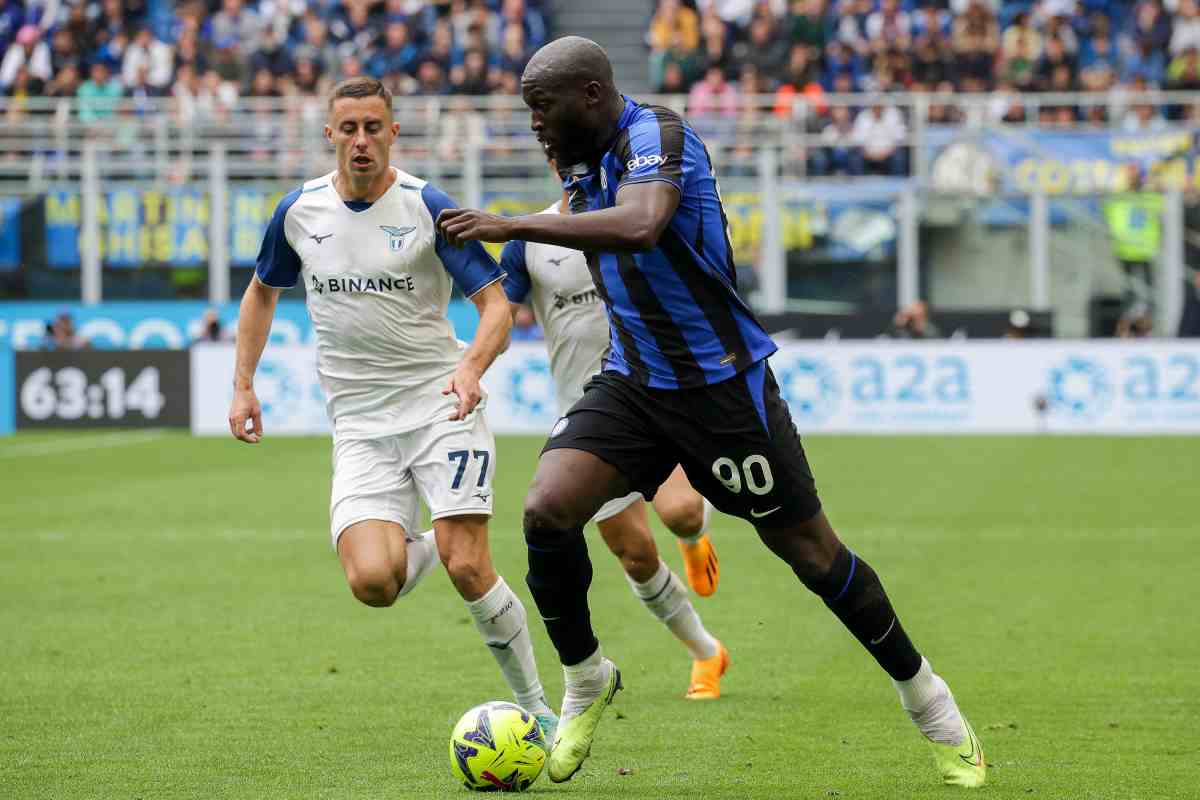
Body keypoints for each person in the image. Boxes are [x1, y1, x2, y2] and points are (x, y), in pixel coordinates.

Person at [434, 36, 985, 787]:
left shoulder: (659, 136)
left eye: (542, 107)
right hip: (632, 383)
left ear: (591, 96)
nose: (534, 123)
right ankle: (587, 678)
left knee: (814, 557)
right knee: (547, 510)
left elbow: (642, 225)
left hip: (722, 388)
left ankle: (932, 705)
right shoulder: (575, 157)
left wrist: (515, 224)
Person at [227, 77, 557, 741]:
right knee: (374, 582)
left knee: (471, 566)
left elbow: (497, 306)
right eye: (347, 129)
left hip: (441, 408)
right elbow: (261, 292)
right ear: (330, 135)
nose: (360, 141)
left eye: (373, 128)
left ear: (393, 133)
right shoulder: (299, 212)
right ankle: (434, 541)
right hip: (360, 427)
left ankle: (542, 711)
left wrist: (470, 369)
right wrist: (242, 384)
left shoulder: (426, 206)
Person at [498, 158, 729, 700]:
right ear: (553, 163)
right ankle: (708, 653)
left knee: (681, 510)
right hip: (586, 418)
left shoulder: (635, 221)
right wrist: (469, 364)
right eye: (563, 158)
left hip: (651, 396)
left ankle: (695, 537)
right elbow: (499, 316)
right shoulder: (530, 237)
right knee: (636, 556)